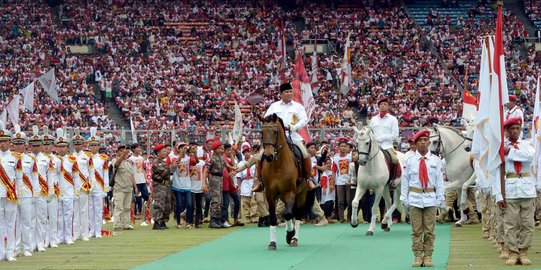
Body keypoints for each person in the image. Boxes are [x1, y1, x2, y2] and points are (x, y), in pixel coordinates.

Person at [247, 82, 314, 192]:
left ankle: (309, 178)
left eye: (290, 91)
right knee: (260, 155)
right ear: (281, 94)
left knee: (304, 153)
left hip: (293, 135)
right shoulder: (274, 106)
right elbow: (266, 119)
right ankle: (260, 181)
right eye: (286, 92)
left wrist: (294, 127)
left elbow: (304, 119)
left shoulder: (298, 106)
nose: (289, 94)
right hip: (275, 139)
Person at [400, 130, 445, 267]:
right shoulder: (409, 160)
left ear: (429, 143)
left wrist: (440, 198)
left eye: (426, 140)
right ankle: (418, 256)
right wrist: (404, 197)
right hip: (414, 197)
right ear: (415, 143)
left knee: (430, 230)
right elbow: (405, 180)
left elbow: (439, 181)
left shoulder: (435, 161)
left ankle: (428, 256)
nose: (423, 143)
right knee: (416, 230)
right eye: (420, 140)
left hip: (430, 198)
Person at [496, 117, 536, 266]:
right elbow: (496, 172)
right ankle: (513, 252)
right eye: (512, 129)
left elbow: (529, 156)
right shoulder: (500, 147)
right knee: (510, 224)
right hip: (510, 189)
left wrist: (510, 151)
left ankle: (524, 251)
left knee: (527, 224)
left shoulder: (527, 144)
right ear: (506, 131)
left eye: (517, 128)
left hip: (526, 189)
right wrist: (498, 194)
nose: (515, 131)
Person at [12, 125, 37, 257]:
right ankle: (15, 247)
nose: (18, 146)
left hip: (27, 194)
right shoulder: (9, 158)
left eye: (21, 143)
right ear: (12, 145)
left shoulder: (30, 160)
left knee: (27, 221)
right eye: (16, 144)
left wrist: (36, 193)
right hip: (12, 194)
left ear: (25, 145)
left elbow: (34, 177)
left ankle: (27, 247)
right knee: (15, 222)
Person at [27, 126, 50, 252]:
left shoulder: (46, 159)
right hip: (29, 192)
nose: (35, 147)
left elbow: (50, 176)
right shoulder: (26, 158)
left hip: (42, 192)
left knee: (41, 218)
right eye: (33, 145)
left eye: (37, 145)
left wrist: (51, 191)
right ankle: (31, 243)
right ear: (30, 146)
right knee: (30, 218)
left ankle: (40, 242)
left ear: (41, 145)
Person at [55, 128, 79, 245]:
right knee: (58, 216)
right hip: (57, 191)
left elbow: (75, 176)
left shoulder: (72, 160)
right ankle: (60, 237)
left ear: (67, 147)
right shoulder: (53, 160)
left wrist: (76, 191)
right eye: (59, 147)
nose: (61, 149)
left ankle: (68, 236)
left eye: (63, 146)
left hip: (69, 190)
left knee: (69, 215)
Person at [0, 121, 19, 261]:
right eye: (0, 141)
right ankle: (1, 252)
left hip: (10, 195)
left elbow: (19, 178)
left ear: (10, 142)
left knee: (11, 224)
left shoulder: (16, 157)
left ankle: (10, 252)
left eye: (5, 141)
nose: (2, 144)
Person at [71, 132, 94, 241]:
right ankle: (76, 234)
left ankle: (85, 234)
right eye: (75, 144)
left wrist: (92, 184)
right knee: (75, 211)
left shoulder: (87, 156)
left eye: (79, 144)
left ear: (82, 144)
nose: (77, 146)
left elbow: (91, 171)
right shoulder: (70, 157)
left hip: (84, 186)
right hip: (74, 187)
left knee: (84, 211)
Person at [88, 128, 109, 238]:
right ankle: (91, 230)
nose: (93, 147)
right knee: (90, 209)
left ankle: (98, 230)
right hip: (88, 187)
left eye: (95, 145)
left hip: (99, 186)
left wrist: (106, 187)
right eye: (91, 145)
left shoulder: (102, 158)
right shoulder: (85, 158)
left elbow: (105, 173)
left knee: (98, 209)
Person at [111, 145, 138, 231]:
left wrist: (135, 187)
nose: (124, 152)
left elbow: (131, 175)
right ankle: (117, 224)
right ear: (117, 152)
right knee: (119, 207)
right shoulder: (115, 160)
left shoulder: (129, 162)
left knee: (127, 207)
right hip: (119, 187)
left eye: (125, 151)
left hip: (128, 188)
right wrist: (123, 155)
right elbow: (116, 165)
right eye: (121, 151)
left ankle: (126, 224)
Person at [151, 144, 177, 230]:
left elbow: (170, 172)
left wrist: (173, 166)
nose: (165, 153)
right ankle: (157, 222)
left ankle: (162, 221)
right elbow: (164, 173)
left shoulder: (163, 161)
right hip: (159, 185)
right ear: (158, 153)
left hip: (166, 185)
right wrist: (172, 166)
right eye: (163, 151)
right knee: (159, 204)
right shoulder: (156, 162)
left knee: (167, 205)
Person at [203, 140, 227, 228]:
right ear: (215, 149)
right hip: (214, 178)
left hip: (220, 179)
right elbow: (206, 170)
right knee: (215, 200)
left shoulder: (221, 158)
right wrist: (204, 183)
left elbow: (227, 165)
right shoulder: (212, 159)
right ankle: (213, 219)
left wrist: (234, 168)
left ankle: (218, 219)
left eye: (222, 149)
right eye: (220, 149)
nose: (222, 150)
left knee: (220, 200)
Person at [370, 97, 399, 166]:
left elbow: (395, 135)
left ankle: (394, 176)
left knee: (395, 160)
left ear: (388, 106)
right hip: (374, 146)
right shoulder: (373, 119)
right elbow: (370, 132)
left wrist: (382, 137)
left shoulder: (393, 119)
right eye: (381, 104)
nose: (382, 106)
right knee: (359, 158)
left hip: (387, 146)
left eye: (385, 104)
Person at [129, 143, 150, 226]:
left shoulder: (141, 158)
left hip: (142, 180)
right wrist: (134, 184)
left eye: (140, 147)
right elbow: (131, 172)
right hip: (135, 181)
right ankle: (133, 215)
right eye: (137, 147)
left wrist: (146, 178)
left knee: (147, 197)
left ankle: (148, 215)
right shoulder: (130, 159)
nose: (139, 149)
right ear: (133, 149)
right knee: (134, 199)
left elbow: (143, 169)